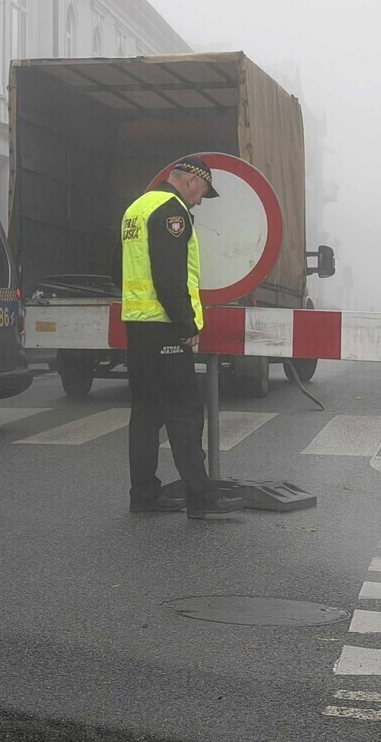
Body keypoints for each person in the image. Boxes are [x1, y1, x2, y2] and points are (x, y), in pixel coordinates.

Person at [121, 158, 244, 520]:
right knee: (185, 413)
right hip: (164, 327)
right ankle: (201, 499)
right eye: (203, 192)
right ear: (190, 181)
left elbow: (118, 264)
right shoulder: (172, 212)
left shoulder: (137, 207)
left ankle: (143, 496)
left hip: (138, 324)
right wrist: (187, 325)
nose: (201, 201)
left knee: (145, 414)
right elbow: (169, 276)